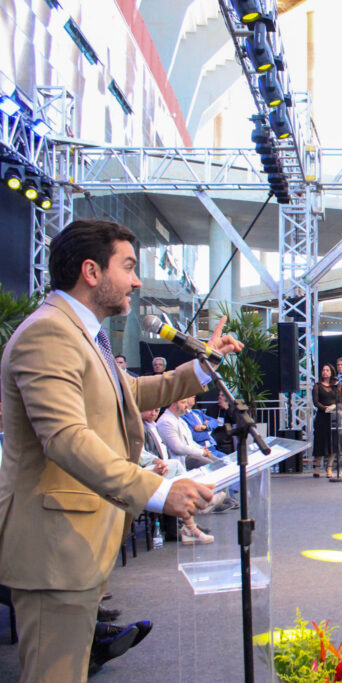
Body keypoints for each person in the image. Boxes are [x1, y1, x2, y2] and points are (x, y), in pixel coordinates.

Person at [0, 219, 241, 681]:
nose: (135, 280)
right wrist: (156, 490)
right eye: (128, 267)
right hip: (54, 550)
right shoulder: (48, 334)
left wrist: (204, 364)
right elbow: (65, 437)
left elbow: (132, 391)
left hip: (76, 543)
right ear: (92, 271)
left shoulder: (81, 334)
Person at [311, 364, 340, 478]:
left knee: (333, 442)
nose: (325, 372)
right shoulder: (317, 386)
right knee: (320, 442)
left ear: (331, 372)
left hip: (333, 417)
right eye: (323, 370)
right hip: (322, 417)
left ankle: (329, 467)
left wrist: (336, 407)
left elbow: (340, 400)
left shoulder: (336, 386)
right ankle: (317, 467)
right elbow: (316, 402)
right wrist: (325, 408)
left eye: (327, 370)